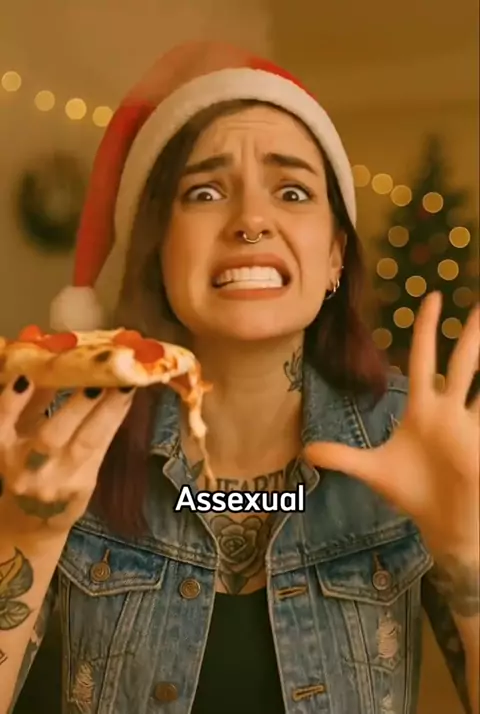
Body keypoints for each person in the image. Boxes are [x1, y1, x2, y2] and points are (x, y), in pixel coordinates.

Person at [0, 41, 478, 714]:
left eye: (292, 191)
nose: (252, 221)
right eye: (205, 192)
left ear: (335, 256)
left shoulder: (411, 437)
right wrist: (24, 533)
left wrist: (468, 548)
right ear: (159, 252)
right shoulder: (54, 443)